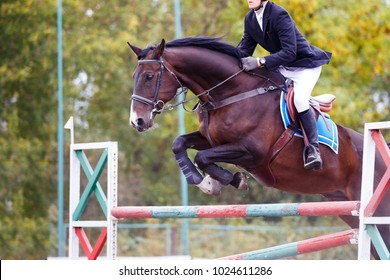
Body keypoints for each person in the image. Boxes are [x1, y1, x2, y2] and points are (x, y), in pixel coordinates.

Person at [238, 0, 332, 171]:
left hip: (305, 66)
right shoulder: (250, 19)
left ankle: (313, 149)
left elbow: (290, 51)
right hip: (283, 67)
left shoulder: (278, 14)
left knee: (300, 100)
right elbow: (244, 50)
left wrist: (260, 61)